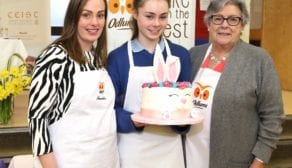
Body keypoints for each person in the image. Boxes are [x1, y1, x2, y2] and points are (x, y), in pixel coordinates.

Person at [185, 0, 285, 168]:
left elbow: (273, 116)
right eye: (218, 19)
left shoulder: (259, 60)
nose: (225, 25)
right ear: (209, 23)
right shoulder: (193, 55)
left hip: (232, 160)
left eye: (233, 19)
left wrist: (259, 161)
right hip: (189, 154)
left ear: (242, 25)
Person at [28, 0, 119, 167]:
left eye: (100, 15)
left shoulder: (96, 57)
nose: (95, 22)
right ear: (73, 17)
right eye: (86, 15)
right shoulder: (54, 57)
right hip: (69, 161)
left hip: (105, 160)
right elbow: (37, 120)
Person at [106, 0, 192, 167]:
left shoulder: (179, 56)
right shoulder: (118, 58)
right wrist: (132, 120)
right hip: (132, 151)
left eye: (163, 17)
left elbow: (186, 105)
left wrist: (182, 123)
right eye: (149, 16)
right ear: (135, 14)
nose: (156, 24)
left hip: (170, 152)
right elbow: (108, 111)